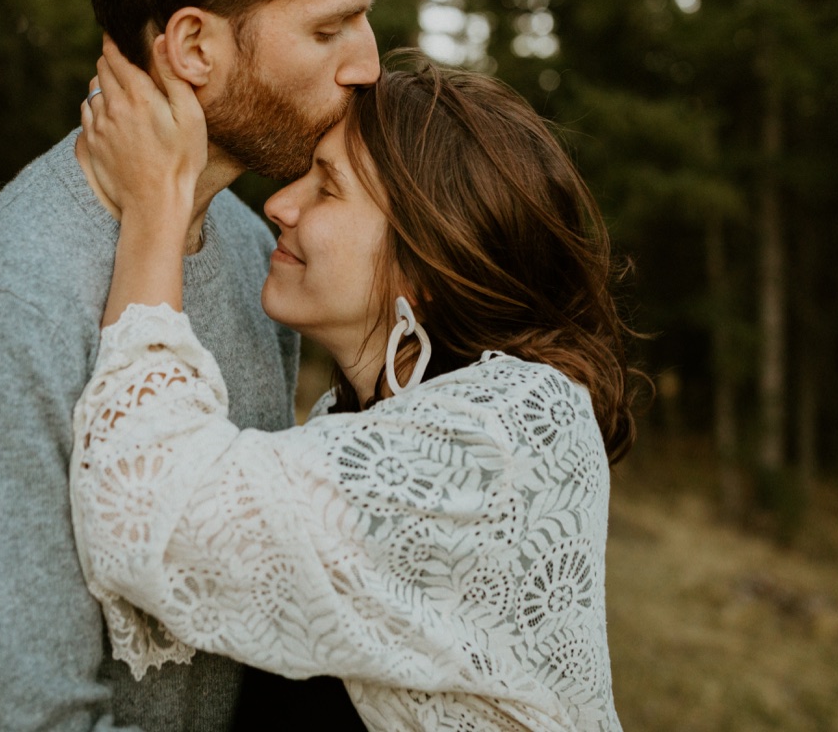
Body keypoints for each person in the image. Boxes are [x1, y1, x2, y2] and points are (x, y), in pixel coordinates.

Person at [0, 0, 379, 731]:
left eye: (367, 16)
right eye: (330, 30)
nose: (369, 63)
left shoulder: (249, 252)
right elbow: (24, 716)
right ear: (195, 47)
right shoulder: (7, 302)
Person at [70, 49, 638, 731]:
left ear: (428, 259)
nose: (280, 203)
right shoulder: (353, 420)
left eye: (327, 186)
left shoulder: (501, 438)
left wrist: (156, 208)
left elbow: (149, 504)